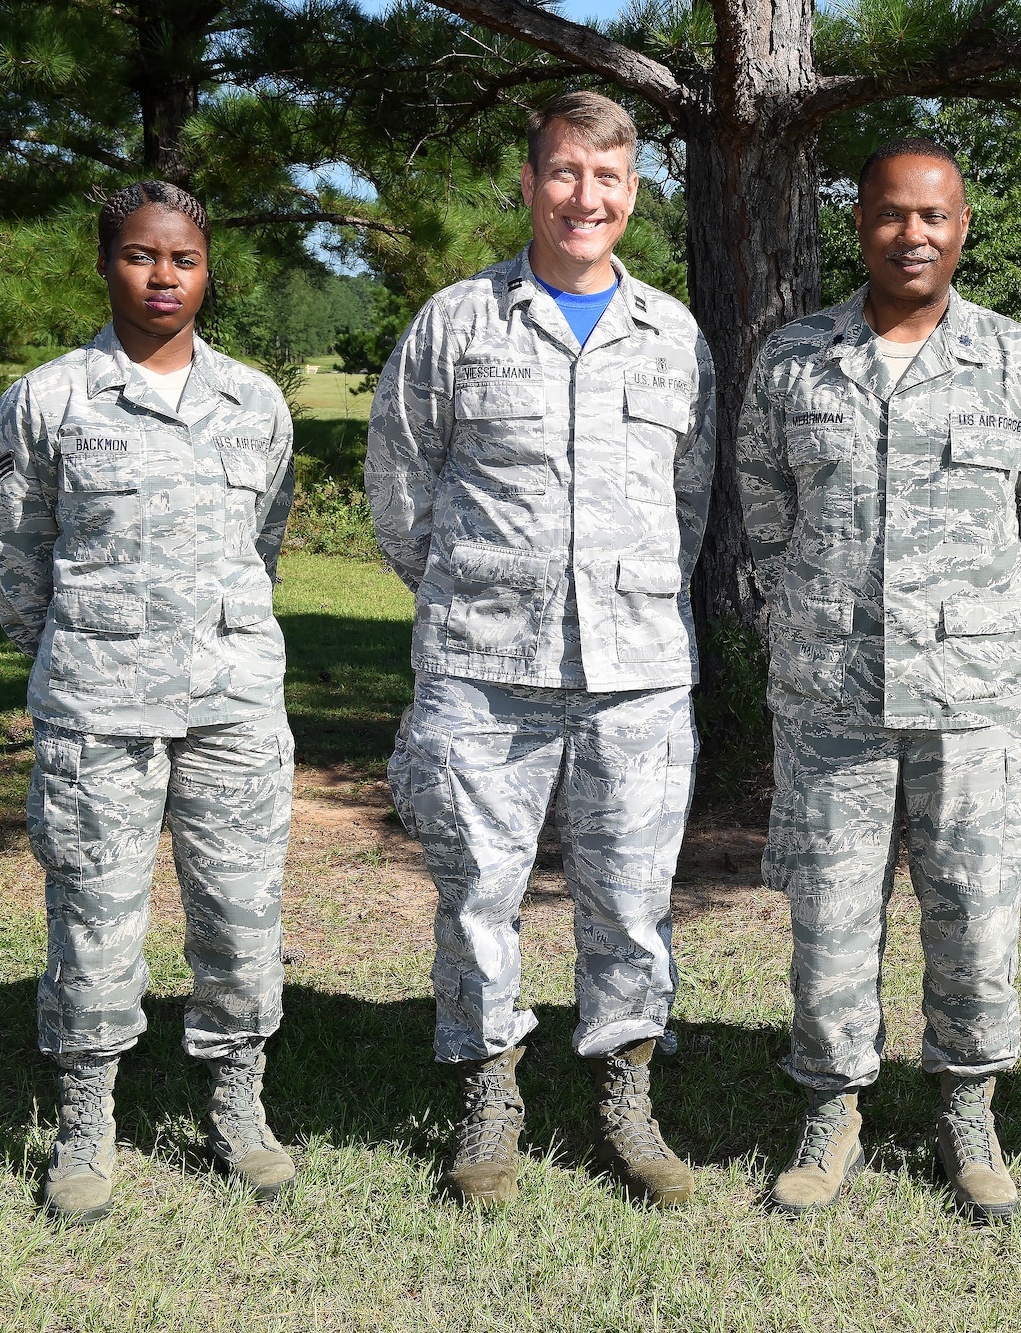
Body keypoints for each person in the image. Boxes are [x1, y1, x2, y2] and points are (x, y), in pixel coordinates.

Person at [366, 90, 715, 1208]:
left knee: (630, 895)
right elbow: (398, 490)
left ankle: (624, 1088)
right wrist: (481, 594)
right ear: (528, 184)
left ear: (631, 193)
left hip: (636, 675)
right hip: (482, 668)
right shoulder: (456, 323)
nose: (585, 197)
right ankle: (488, 1089)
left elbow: (690, 504)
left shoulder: (672, 336)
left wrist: (623, 598)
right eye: (565, 173)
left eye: (607, 178)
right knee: (477, 891)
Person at [737, 137, 1021, 1223]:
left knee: (977, 913)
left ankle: (967, 1105)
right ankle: (832, 1105)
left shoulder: (1019, 361)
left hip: (973, 699)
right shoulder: (794, 358)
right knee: (830, 916)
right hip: (830, 696)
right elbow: (761, 511)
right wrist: (809, 620)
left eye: (934, 216)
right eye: (891, 215)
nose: (912, 234)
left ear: (963, 227)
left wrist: (982, 630)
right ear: (859, 225)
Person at [0, 181, 300, 1224]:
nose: (163, 276)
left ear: (209, 271)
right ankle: (85, 1124)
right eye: (139, 255)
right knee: (93, 922)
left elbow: (265, 546)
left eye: (184, 259)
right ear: (105, 262)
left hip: (231, 708)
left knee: (241, 921)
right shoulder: (51, 399)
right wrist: (80, 656)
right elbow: (16, 560)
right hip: (96, 711)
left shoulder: (255, 402)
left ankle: (238, 1107)